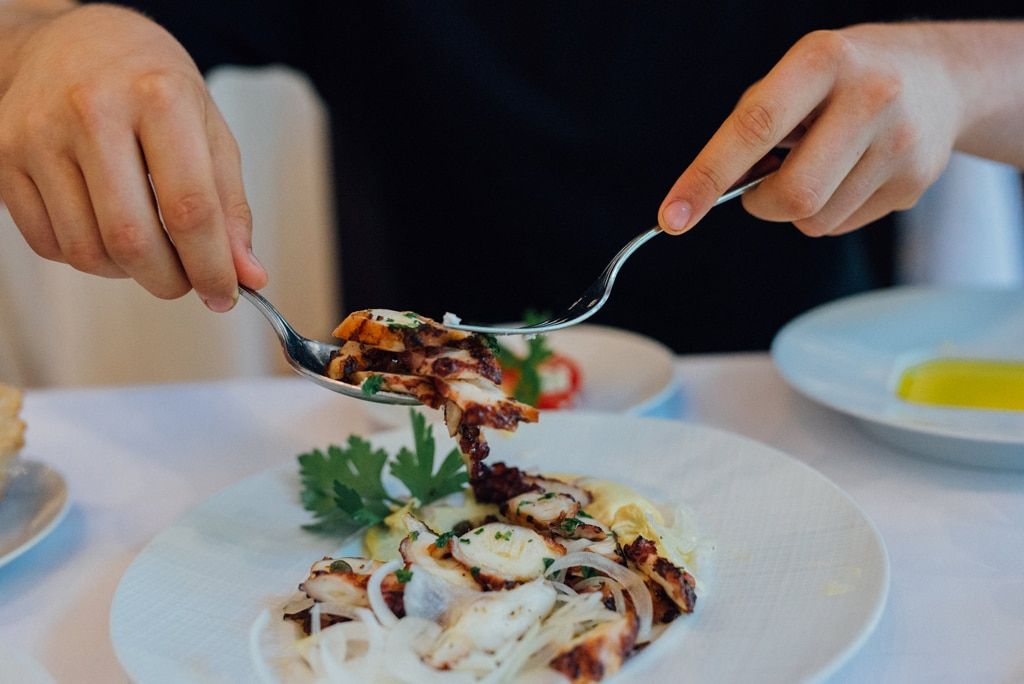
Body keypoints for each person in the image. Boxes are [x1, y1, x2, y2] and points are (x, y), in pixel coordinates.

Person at [0, 1, 1021, 352]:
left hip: (805, 413)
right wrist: (48, 42)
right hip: (426, 431)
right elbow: (35, 26)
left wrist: (960, 72)